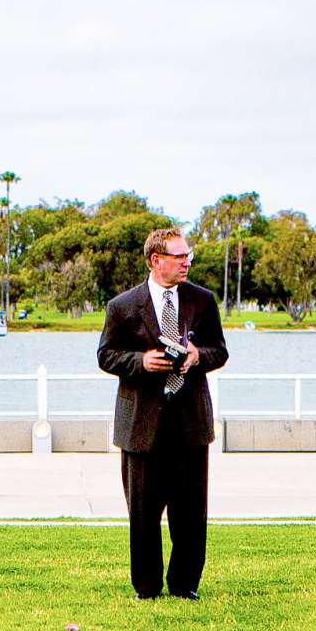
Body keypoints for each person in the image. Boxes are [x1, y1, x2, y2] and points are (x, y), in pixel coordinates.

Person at [96, 227, 228, 599]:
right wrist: (141, 361)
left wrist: (197, 355)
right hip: (141, 425)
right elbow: (106, 355)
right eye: (179, 256)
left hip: (189, 424)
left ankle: (185, 585)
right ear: (157, 260)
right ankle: (147, 587)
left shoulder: (202, 301)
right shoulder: (122, 306)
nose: (187, 262)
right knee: (143, 514)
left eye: (189, 256)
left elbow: (220, 350)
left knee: (190, 514)